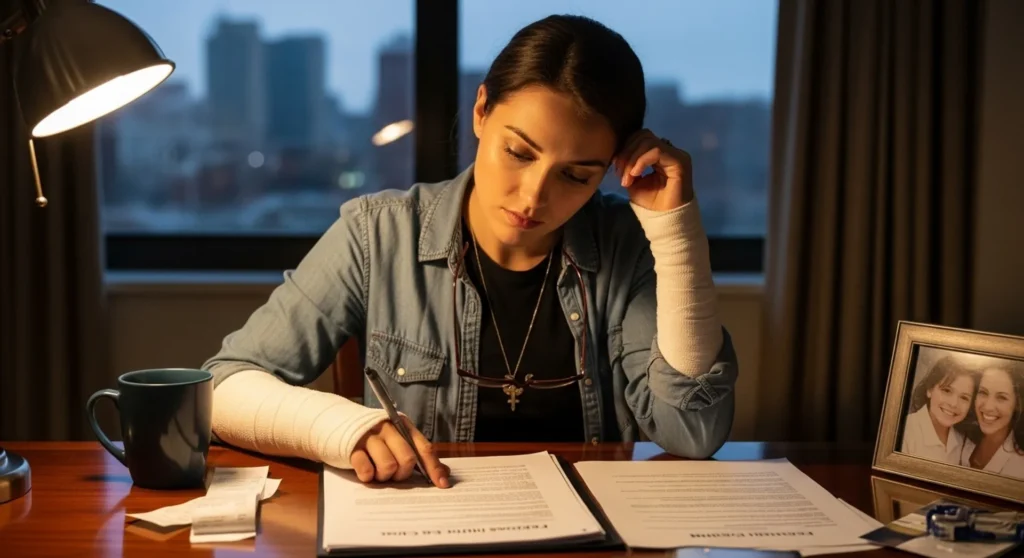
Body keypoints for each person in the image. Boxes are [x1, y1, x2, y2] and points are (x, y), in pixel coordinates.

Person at [202, 14, 736, 489]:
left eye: (576, 176)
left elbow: (694, 431)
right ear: (481, 111)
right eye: (518, 152)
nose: (533, 197)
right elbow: (224, 388)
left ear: (612, 168)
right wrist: (346, 428)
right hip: (424, 535)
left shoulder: (625, 244)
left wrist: (675, 229)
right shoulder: (377, 233)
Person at [899, 355, 975, 464]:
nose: (953, 404)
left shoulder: (966, 445)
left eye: (964, 397)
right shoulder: (904, 432)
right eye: (947, 390)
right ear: (930, 389)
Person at [959, 364, 1024, 478]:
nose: (988, 407)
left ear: (1017, 404)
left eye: (1002, 397)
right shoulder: (959, 433)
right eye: (983, 392)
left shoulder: (1020, 465)